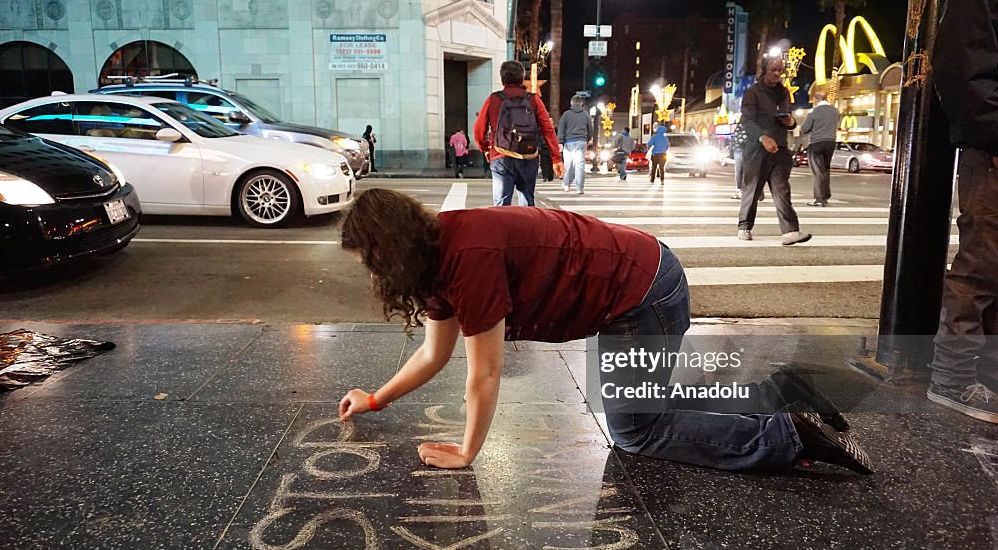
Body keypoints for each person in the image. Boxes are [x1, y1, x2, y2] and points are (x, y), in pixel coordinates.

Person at [337, 189, 874, 474]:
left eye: (370, 261)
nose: (371, 274)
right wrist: (376, 400)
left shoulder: (467, 257)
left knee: (638, 432)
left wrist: (467, 451)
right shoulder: (436, 258)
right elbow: (434, 354)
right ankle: (783, 393)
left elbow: (485, 373)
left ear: (391, 249)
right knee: (648, 404)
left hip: (641, 293)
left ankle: (788, 436)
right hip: (638, 278)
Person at [928, 0, 998, 422]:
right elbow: (961, 60)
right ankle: (953, 378)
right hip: (993, 149)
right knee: (984, 261)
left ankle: (985, 378)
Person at [737, 57, 812, 245]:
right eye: (773, 70)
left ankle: (790, 231)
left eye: (780, 70)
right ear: (765, 70)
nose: (777, 73)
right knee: (752, 189)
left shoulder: (784, 92)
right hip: (756, 149)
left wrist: (791, 123)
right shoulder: (753, 92)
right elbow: (747, 120)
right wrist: (762, 137)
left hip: (780, 148)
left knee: (782, 189)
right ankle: (744, 226)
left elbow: (788, 117)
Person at [473, 61, 562, 206]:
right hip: (528, 155)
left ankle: (503, 228)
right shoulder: (533, 99)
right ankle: (527, 228)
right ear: (522, 79)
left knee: (501, 205)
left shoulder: (494, 99)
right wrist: (556, 158)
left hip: (500, 155)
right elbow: (548, 129)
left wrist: (485, 149)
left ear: (502, 79)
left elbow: (478, 129)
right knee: (527, 202)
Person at [801, 91, 841, 206]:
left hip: (816, 143)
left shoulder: (814, 112)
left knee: (818, 171)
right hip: (831, 142)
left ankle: (819, 199)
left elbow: (805, 129)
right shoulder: (835, 111)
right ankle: (826, 194)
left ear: (816, 99)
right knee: (826, 169)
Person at [557, 94, 592, 194]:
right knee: (580, 165)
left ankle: (566, 184)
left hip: (569, 142)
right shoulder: (586, 115)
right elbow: (590, 129)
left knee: (568, 164)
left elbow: (561, 129)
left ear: (571, 103)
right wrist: (587, 139)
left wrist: (560, 141)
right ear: (581, 103)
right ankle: (579, 188)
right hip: (581, 141)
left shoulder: (566, 114)